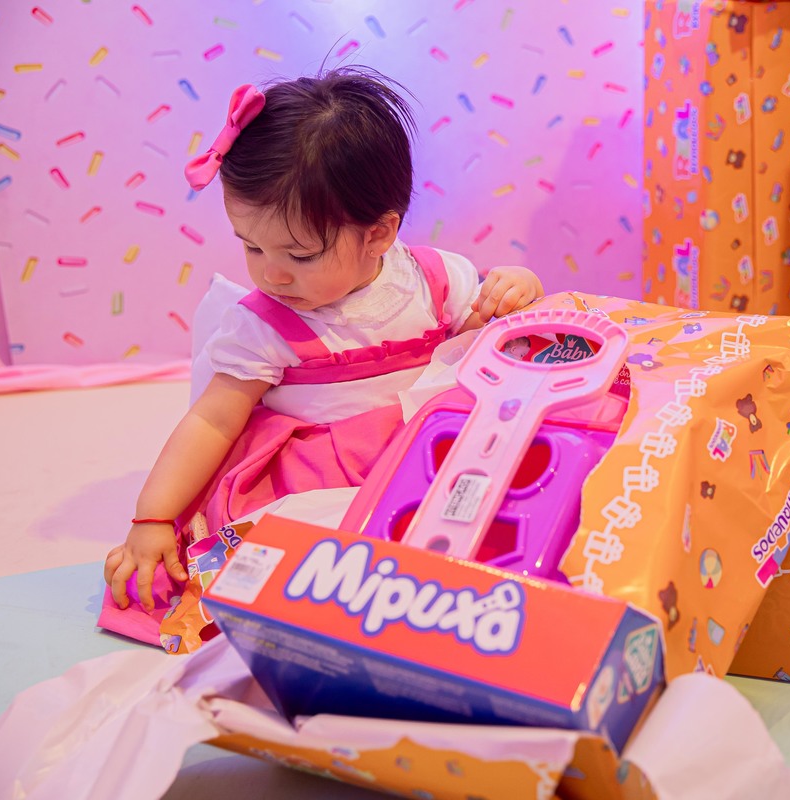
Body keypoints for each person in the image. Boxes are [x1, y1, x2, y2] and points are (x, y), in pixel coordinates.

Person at [100, 68, 542, 649]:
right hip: (316, 481)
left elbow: (488, 347)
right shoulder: (263, 326)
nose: (272, 274)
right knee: (304, 578)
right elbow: (212, 420)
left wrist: (515, 291)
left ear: (378, 235)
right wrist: (153, 517)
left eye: (300, 255)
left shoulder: (437, 280)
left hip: (427, 458)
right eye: (252, 246)